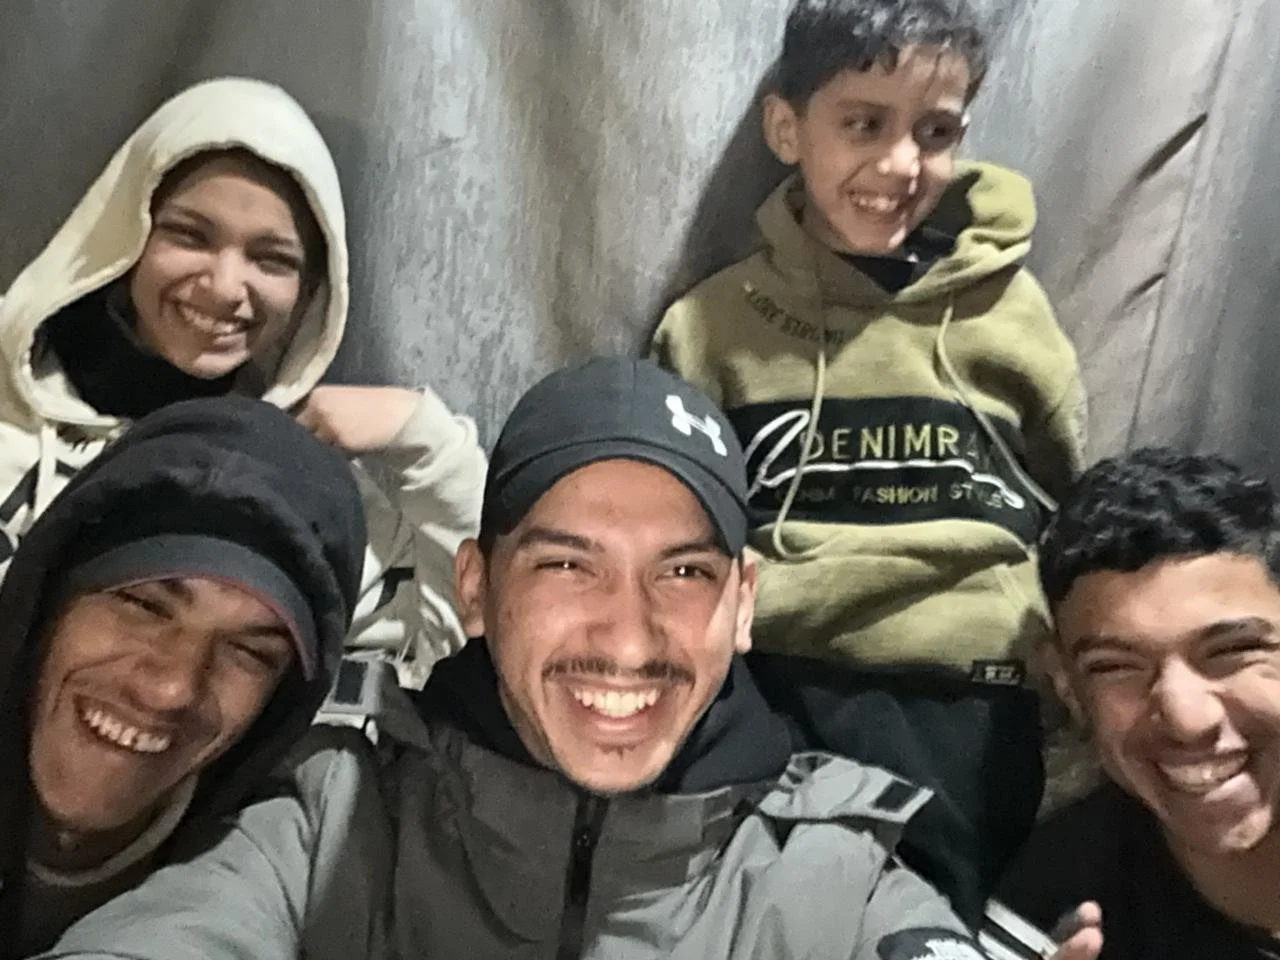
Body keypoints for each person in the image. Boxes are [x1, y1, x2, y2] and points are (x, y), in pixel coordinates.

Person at [33, 358, 1100, 960]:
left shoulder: (838, 874)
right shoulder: (335, 815)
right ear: (476, 588)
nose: (627, 639)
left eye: (682, 573)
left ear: (742, 604)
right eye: (567, 566)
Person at [651, 0, 1086, 683]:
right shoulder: (708, 326)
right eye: (864, 125)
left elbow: (1071, 508)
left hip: (983, 679)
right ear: (787, 130)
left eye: (935, 132)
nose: (900, 164)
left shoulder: (1010, 310)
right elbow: (672, 536)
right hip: (777, 674)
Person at [0, 76, 485, 688]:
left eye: (272, 259)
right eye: (189, 235)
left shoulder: (295, 491)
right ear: (125, 231)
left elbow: (451, 647)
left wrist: (427, 439)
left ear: (310, 290)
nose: (227, 287)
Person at [0, 395, 367, 956]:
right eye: (144, 606)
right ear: (48, 604)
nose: (171, 688)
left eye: (249, 653)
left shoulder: (277, 863)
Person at [999, 449, 1280, 957]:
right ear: (1067, 687)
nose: (1186, 720)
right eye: (1116, 667)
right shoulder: (1046, 915)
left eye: (1231, 651)